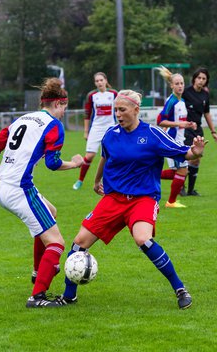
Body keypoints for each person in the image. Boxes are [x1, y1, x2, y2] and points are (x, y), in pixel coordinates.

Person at [58, 89, 207, 310]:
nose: (118, 113)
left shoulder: (153, 135)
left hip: (143, 199)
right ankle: (68, 296)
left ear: (136, 110)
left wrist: (195, 152)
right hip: (114, 198)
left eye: (122, 109)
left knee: (142, 239)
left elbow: (184, 153)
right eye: (116, 109)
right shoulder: (111, 134)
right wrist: (96, 180)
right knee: (79, 243)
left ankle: (180, 289)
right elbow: (105, 158)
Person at [0, 78, 83, 308]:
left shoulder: (22, 119)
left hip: (0, 186)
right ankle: (37, 296)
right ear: (57, 103)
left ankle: (38, 272)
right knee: (56, 243)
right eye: (64, 106)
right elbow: (53, 164)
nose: (64, 111)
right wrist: (75, 164)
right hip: (19, 189)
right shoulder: (54, 126)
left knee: (50, 212)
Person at [157, 66, 197, 208]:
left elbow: (179, 122)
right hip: (172, 141)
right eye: (177, 83)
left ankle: (149, 173)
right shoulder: (171, 101)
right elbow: (160, 121)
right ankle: (171, 202)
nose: (180, 86)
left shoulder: (181, 101)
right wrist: (179, 123)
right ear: (171, 85)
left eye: (182, 83)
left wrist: (189, 124)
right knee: (183, 170)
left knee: (179, 172)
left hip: (179, 140)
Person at [73, 72, 117, 190]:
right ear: (95, 83)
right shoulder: (92, 95)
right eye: (97, 81)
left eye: (101, 80)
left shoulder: (114, 94)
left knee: (111, 155)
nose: (99, 83)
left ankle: (109, 181)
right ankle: (80, 180)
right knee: (90, 155)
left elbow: (119, 110)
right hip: (96, 128)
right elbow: (87, 114)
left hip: (110, 128)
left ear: (106, 81)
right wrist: (86, 131)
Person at [181, 67, 217, 196]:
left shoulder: (205, 94)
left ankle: (190, 190)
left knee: (197, 160)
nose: (201, 81)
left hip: (198, 130)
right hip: (186, 130)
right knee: (187, 158)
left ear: (206, 81)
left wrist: (213, 131)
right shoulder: (185, 92)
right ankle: (181, 187)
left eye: (204, 79)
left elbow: (206, 113)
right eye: (199, 78)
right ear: (194, 78)